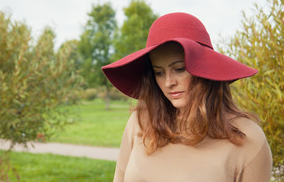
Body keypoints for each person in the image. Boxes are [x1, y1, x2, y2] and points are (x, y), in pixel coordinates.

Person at [102, 12, 272, 182]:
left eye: (179, 69)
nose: (168, 82)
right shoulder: (140, 122)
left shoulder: (248, 138)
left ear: (205, 69)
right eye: (159, 72)